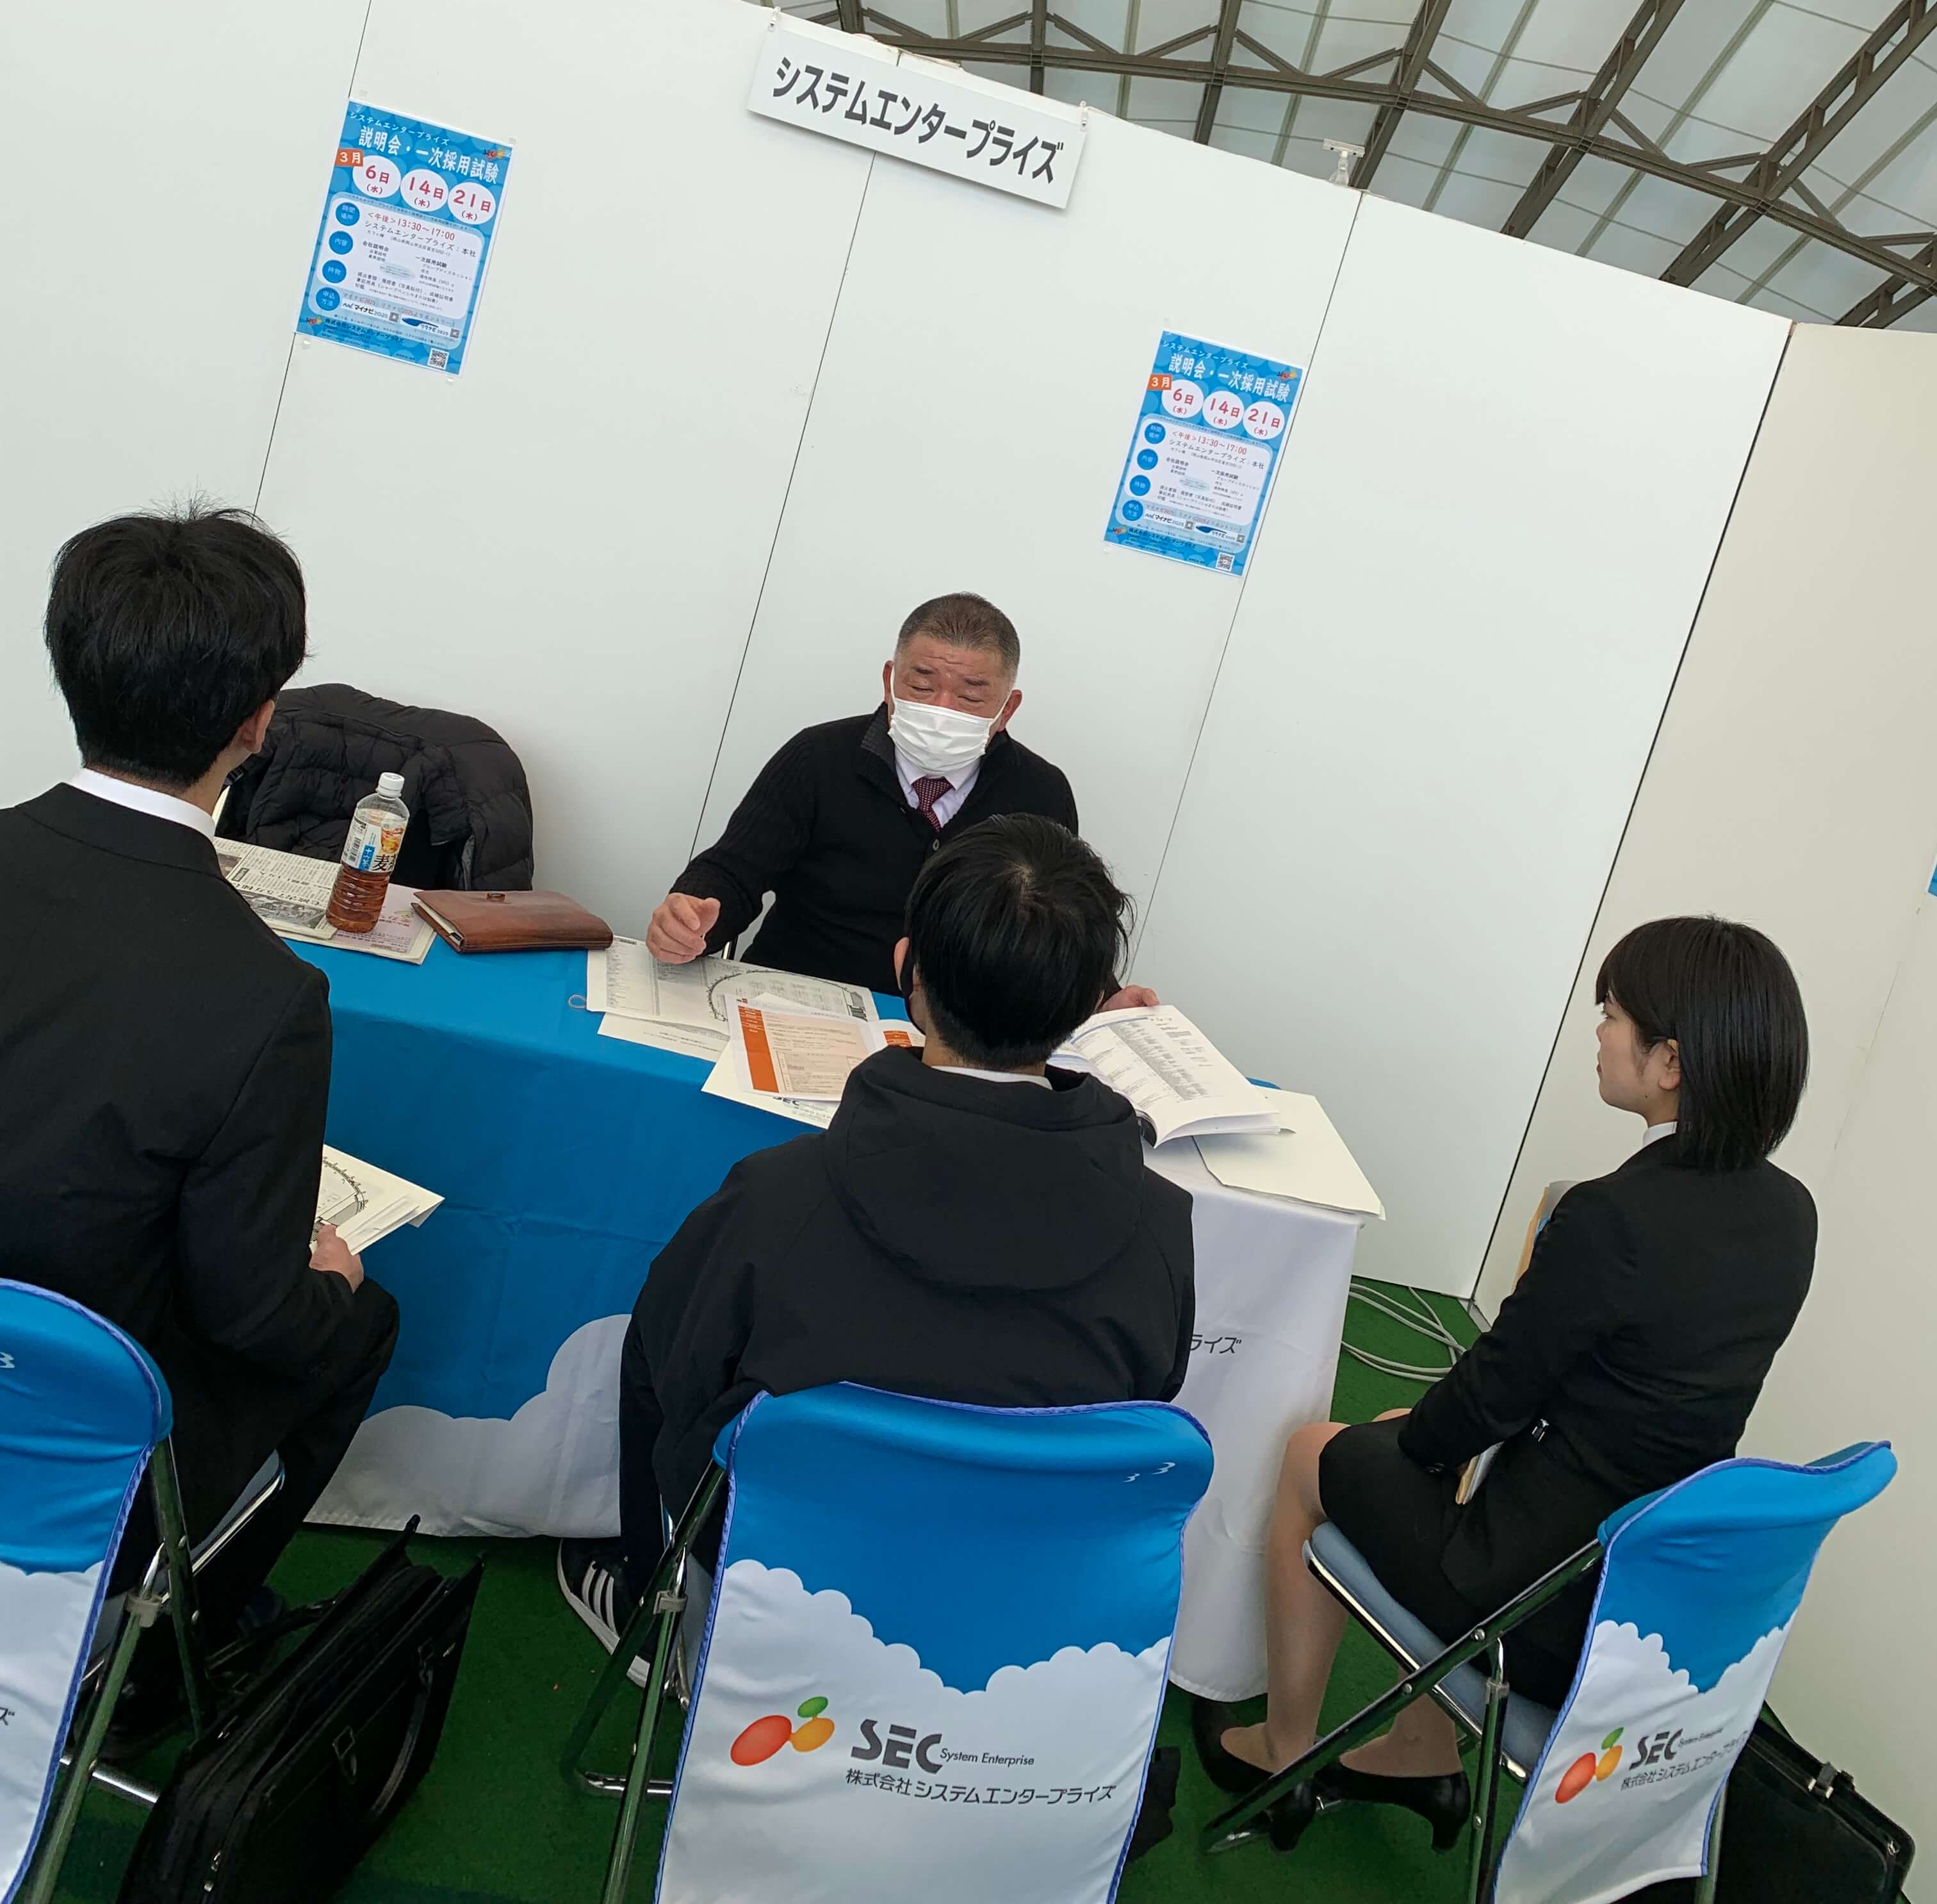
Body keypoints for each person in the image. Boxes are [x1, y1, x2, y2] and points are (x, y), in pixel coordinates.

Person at [1194, 916, 1817, 1851]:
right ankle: (1419, 1753)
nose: (1598, 1031)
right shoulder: (1791, 1214)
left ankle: (1282, 1755)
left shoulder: (1614, 1218)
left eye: (1614, 1015)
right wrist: (1433, 1437)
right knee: (1413, 1435)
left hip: (1535, 1604)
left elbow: (1489, 1397)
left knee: (1312, 1456)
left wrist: (1422, 1442)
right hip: (1641, 1603)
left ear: (1671, 1062)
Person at [559, 813, 1195, 1656]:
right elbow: (1144, 1399)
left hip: (784, 1568)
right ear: (1089, 1008)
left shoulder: (777, 1198)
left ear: (909, 972)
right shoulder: (1163, 1226)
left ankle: (650, 1606)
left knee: (655, 1341)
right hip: (1020, 1591)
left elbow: (682, 1383)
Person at [0, 508, 399, 1733]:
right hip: (67, 1413)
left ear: (69, 665)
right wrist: (326, 1282)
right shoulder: (265, 995)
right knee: (357, 1317)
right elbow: (250, 1312)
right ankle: (163, 1653)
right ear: (257, 722)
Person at [646, 590, 1153, 1006]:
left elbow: (1062, 926)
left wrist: (1102, 998)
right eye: (922, 686)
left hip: (955, 1032)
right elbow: (733, 873)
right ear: (890, 681)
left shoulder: (1041, 792)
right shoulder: (817, 758)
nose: (942, 710)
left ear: (1007, 708)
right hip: (794, 1000)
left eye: (971, 697)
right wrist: (690, 917)